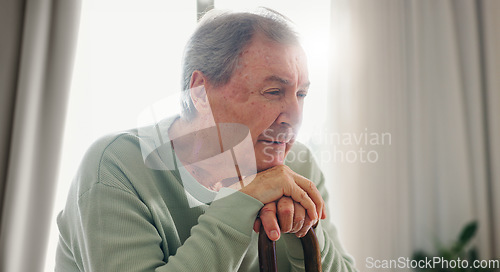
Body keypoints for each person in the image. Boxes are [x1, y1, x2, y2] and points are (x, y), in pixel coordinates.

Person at [55, 8, 357, 272]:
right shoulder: (116, 168)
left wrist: (304, 231)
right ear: (200, 92)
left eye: (301, 94)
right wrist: (245, 200)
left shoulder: (298, 166)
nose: (294, 116)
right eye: (273, 92)